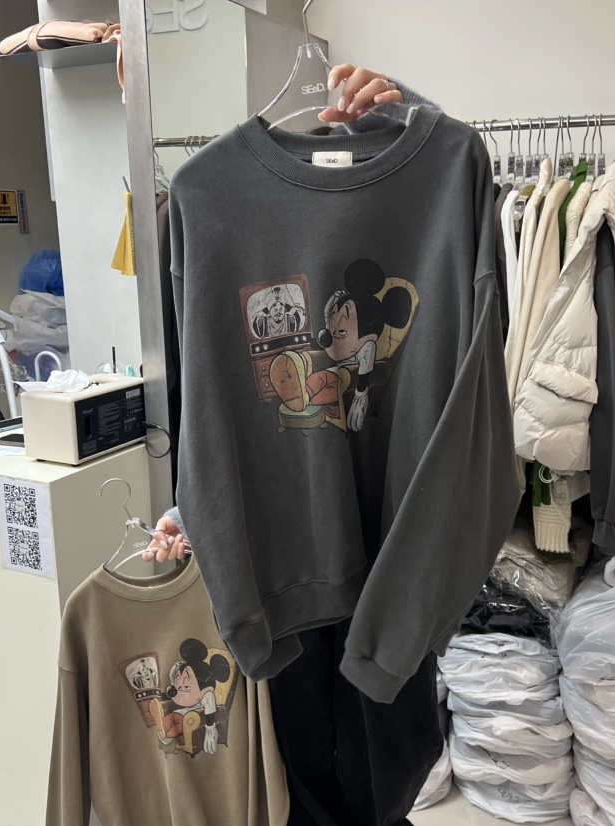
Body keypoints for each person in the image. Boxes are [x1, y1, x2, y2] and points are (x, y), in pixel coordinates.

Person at [143, 64, 438, 565]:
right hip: (283, 555)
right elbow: (210, 392)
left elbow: (473, 405)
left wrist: (405, 113)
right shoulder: (204, 195)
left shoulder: (442, 188)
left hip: (404, 551)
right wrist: (198, 512)